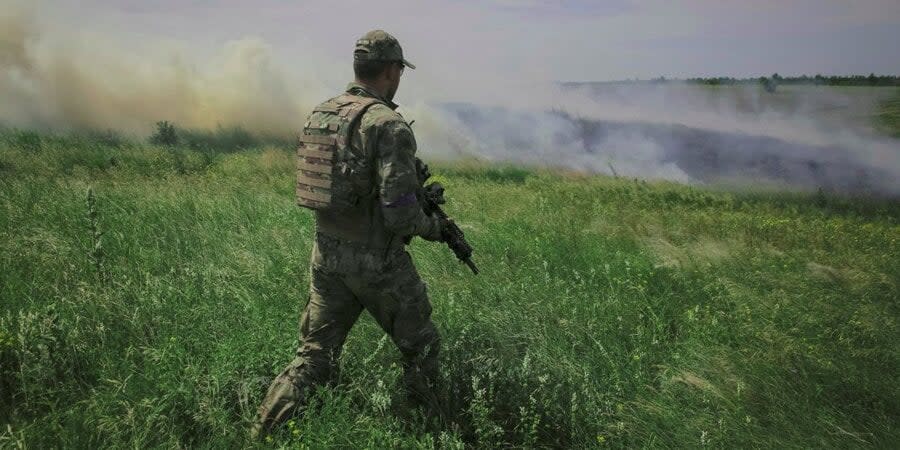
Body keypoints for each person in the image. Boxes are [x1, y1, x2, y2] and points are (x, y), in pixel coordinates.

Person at [252, 29, 448, 438]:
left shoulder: (322, 113)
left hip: (326, 255)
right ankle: (424, 433)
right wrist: (435, 229)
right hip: (377, 262)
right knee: (423, 349)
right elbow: (400, 216)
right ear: (392, 71)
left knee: (314, 356)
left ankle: (262, 434)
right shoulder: (388, 125)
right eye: (400, 70)